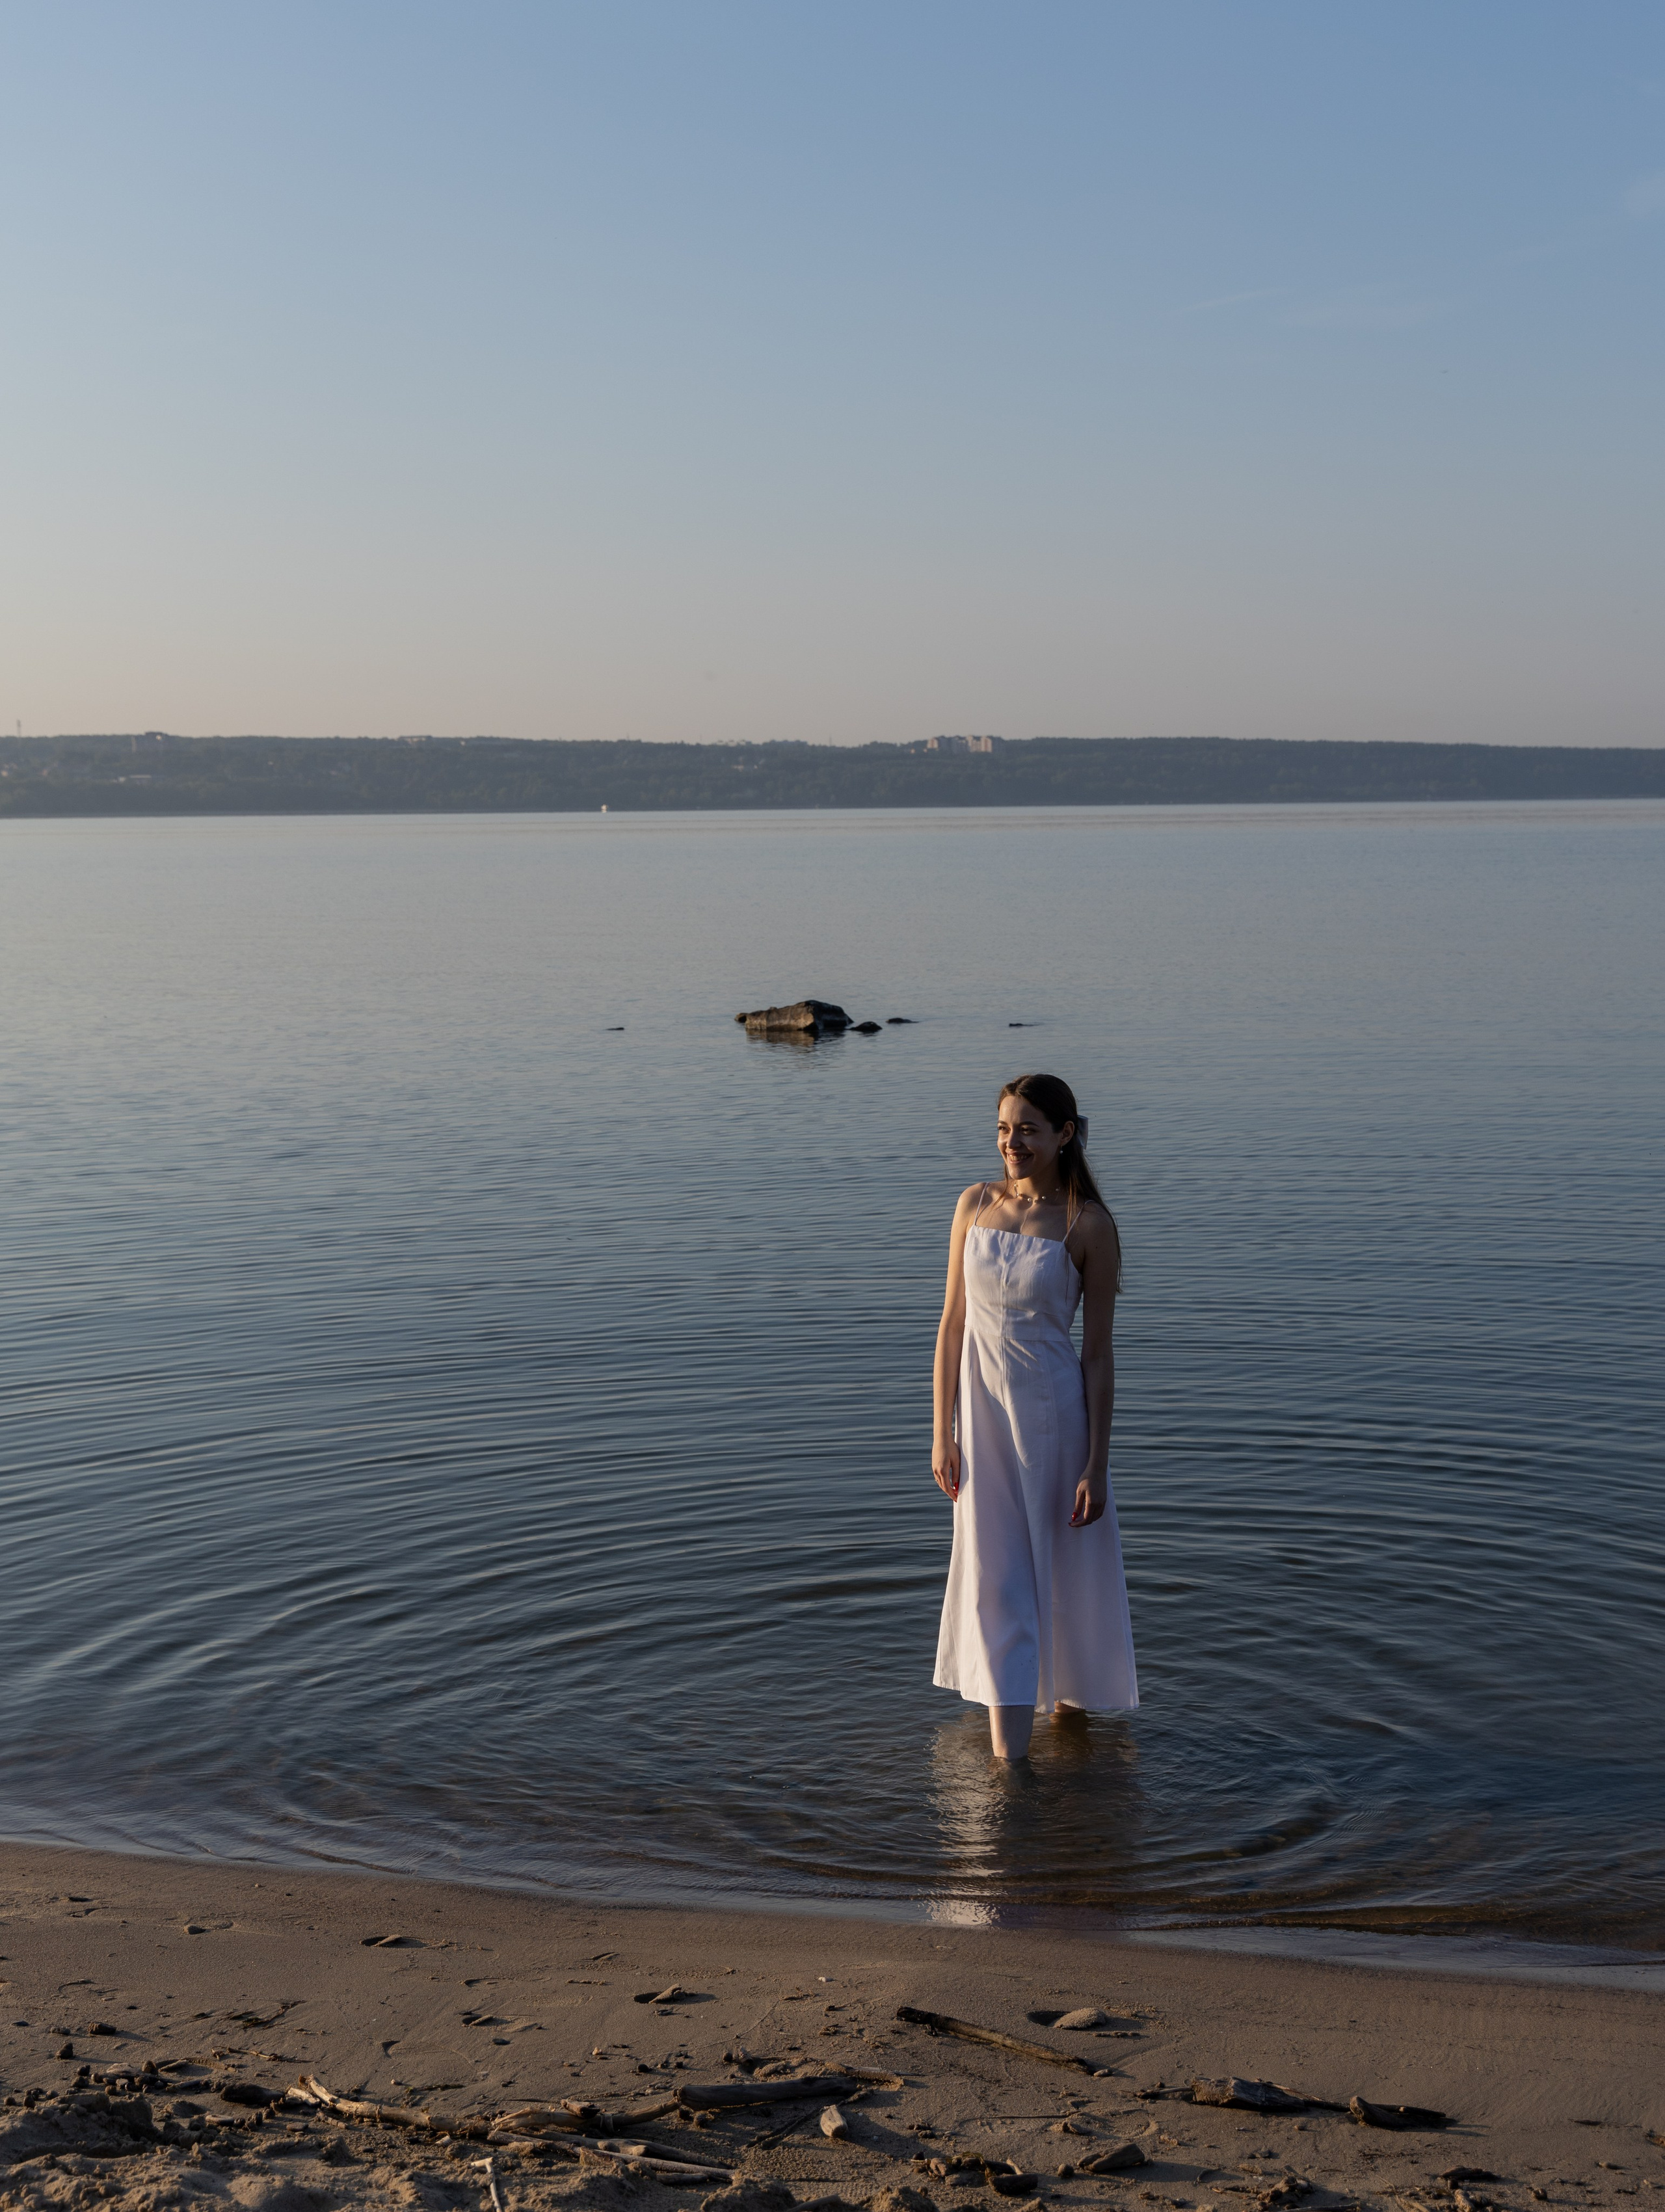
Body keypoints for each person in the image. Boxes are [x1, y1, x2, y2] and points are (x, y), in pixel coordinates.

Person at [931, 1073, 1138, 1759]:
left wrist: (1096, 1463)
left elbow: (1099, 1356)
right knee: (996, 1576)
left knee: (1065, 1572)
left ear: (1064, 1134)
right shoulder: (973, 1203)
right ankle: (1009, 1772)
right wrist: (942, 1432)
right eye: (1002, 1128)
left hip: (1054, 1421)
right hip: (980, 1420)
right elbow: (952, 1326)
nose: (1010, 1142)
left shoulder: (1088, 1224)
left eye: (1027, 1128)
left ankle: (1069, 1738)